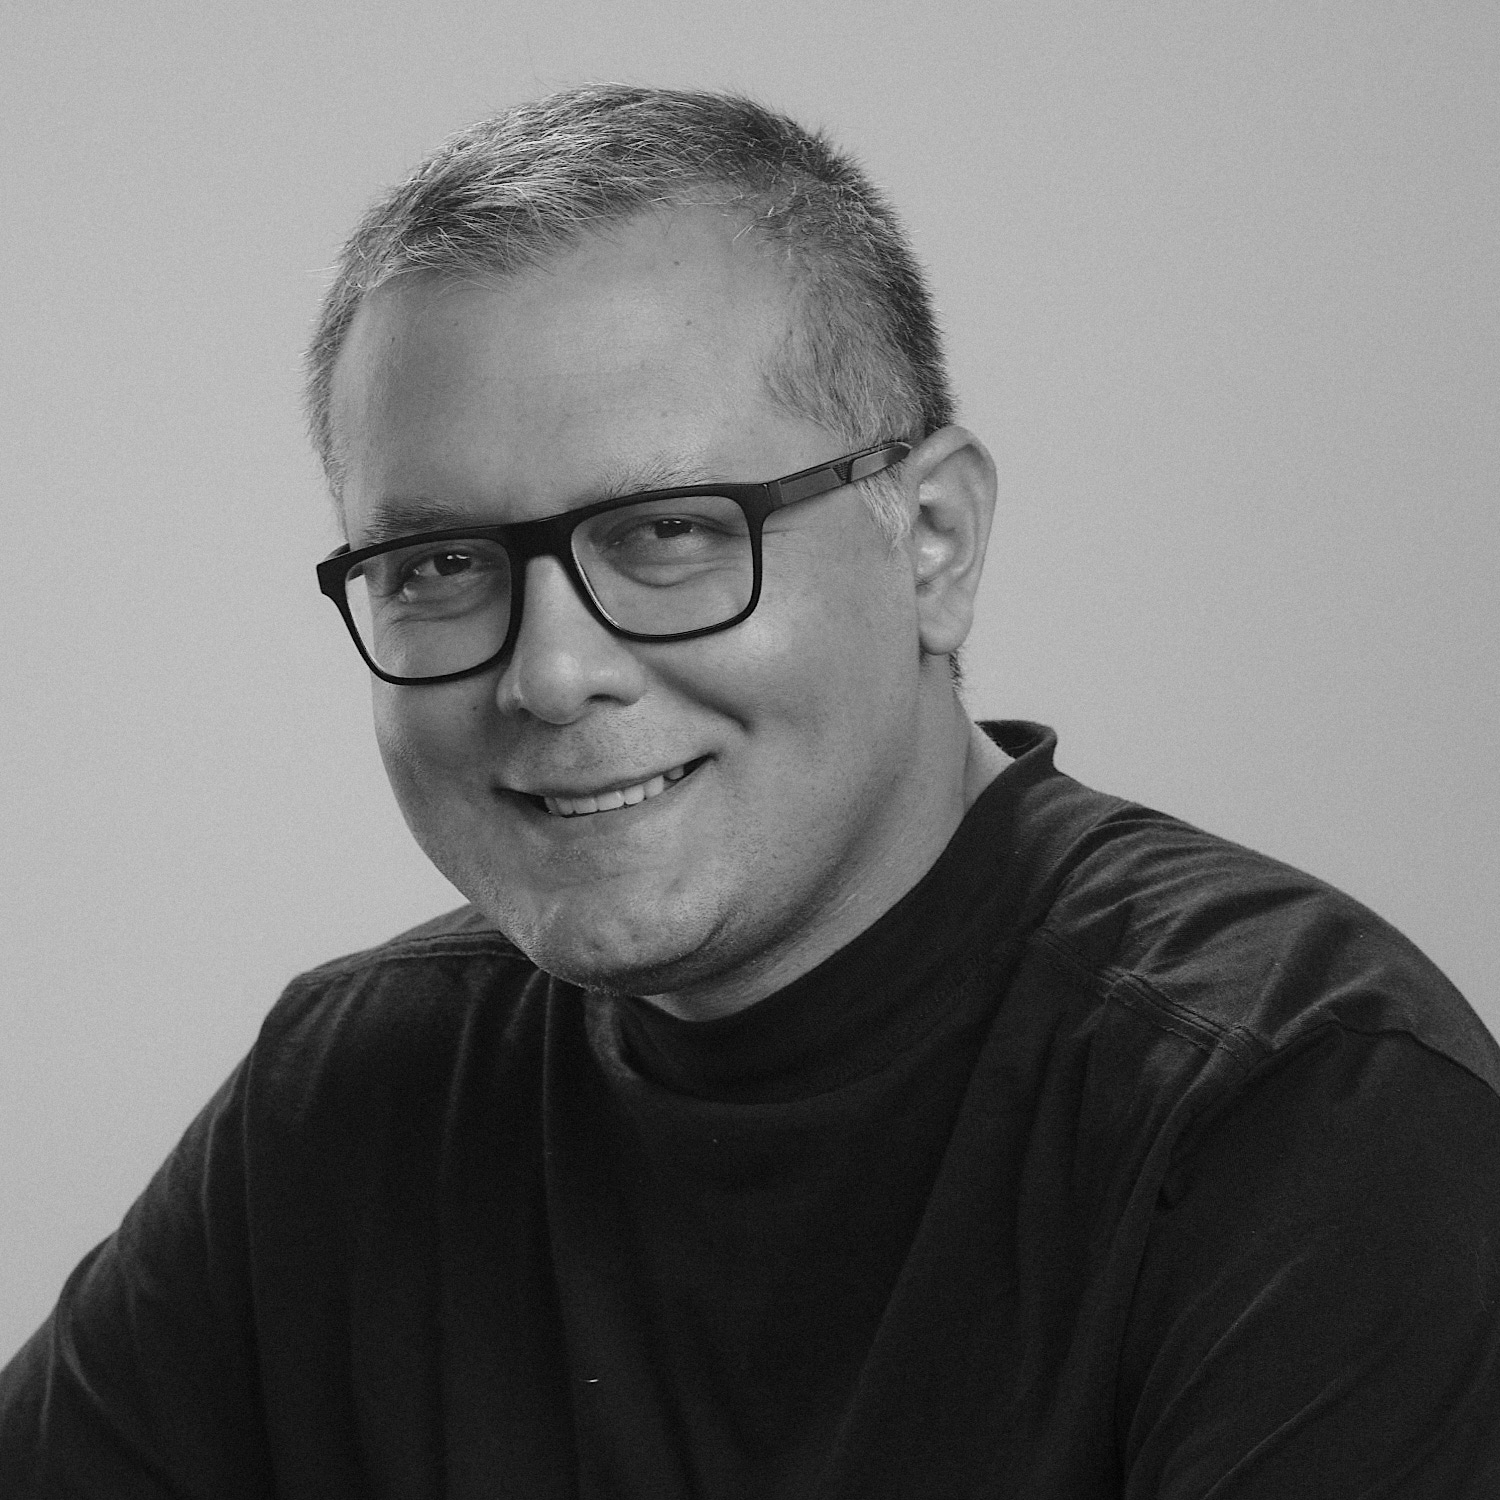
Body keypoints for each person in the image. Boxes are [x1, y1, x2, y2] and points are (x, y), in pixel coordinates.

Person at [2, 83, 1497, 1498]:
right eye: (440, 565)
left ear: (934, 540)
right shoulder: (354, 1099)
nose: (552, 674)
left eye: (668, 531)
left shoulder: (1307, 1113)